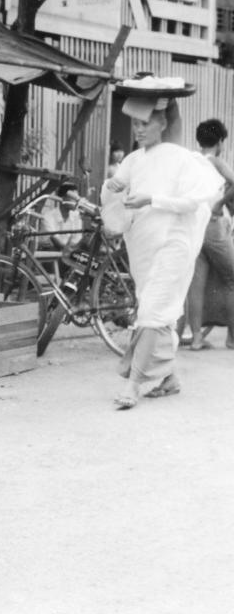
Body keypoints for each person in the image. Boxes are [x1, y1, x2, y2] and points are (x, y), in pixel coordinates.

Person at [102, 98, 223, 410]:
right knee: (161, 313)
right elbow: (116, 202)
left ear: (163, 123)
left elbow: (193, 201)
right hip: (143, 247)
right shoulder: (132, 160)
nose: (139, 130)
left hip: (175, 244)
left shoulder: (183, 159)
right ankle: (169, 378)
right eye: (136, 124)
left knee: (152, 311)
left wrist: (152, 199)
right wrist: (113, 188)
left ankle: (133, 384)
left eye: (146, 123)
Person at [185, 119, 234, 350]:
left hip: (195, 225)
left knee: (196, 283)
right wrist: (220, 203)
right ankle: (232, 338)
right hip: (214, 225)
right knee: (232, 279)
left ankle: (196, 338)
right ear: (220, 141)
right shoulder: (216, 161)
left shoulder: (191, 161)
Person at [40, 182, 84, 254]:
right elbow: (56, 242)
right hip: (49, 253)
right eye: (73, 198)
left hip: (69, 253)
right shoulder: (48, 216)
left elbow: (77, 239)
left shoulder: (76, 216)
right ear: (63, 198)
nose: (76, 201)